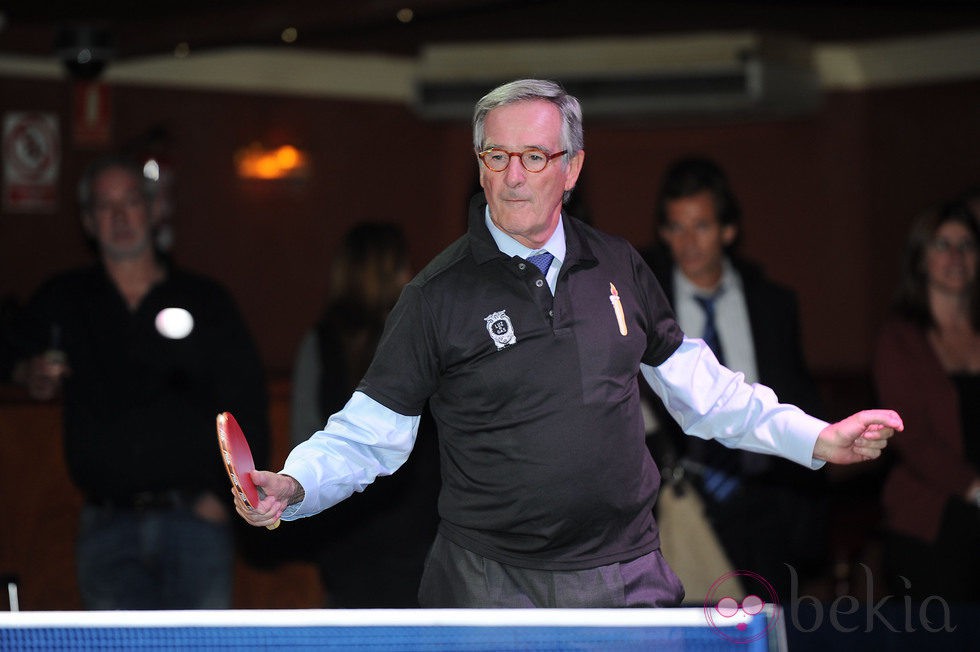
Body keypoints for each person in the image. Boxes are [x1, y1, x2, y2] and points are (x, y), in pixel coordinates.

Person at [235, 79, 901, 608]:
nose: (513, 176)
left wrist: (818, 438)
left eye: (534, 157)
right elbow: (368, 434)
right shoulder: (435, 295)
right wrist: (294, 485)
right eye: (496, 157)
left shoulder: (621, 266)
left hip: (627, 576)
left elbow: (706, 395)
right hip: (490, 587)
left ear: (572, 166)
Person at [9, 155, 269, 610]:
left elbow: (247, 399)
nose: (120, 216)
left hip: (196, 522)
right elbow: (11, 349)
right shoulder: (65, 299)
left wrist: (221, 497)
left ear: (152, 211)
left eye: (130, 202)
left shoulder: (206, 301)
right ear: (89, 221)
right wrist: (25, 372)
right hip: (106, 524)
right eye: (105, 206)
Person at [643, 157, 827, 601]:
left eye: (701, 226)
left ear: (727, 230)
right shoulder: (647, 302)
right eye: (676, 227)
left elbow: (797, 394)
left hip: (763, 494)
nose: (688, 242)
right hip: (684, 498)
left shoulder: (771, 304)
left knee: (770, 625)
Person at [288, 222, 439, 607]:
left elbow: (302, 434)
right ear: (390, 271)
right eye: (403, 265)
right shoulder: (420, 336)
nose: (411, 273)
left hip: (353, 534)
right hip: (405, 531)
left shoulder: (320, 341)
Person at [872, 201, 980, 603]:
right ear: (920, 259)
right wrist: (974, 488)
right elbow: (911, 435)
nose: (956, 256)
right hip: (932, 518)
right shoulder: (900, 338)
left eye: (967, 245)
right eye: (942, 245)